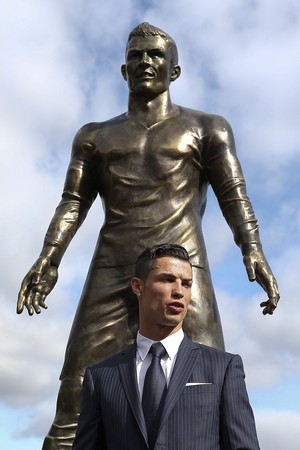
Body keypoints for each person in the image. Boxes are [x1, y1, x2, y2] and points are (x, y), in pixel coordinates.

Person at [17, 22, 278, 449]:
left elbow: (235, 196)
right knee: (75, 399)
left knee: (212, 392)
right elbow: (73, 203)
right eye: (136, 55)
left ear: (175, 70)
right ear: (123, 70)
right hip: (113, 267)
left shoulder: (208, 128)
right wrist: (48, 258)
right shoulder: (94, 136)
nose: (145, 62)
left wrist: (253, 249)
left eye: (156, 55)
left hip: (182, 269)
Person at [73, 243, 261, 450]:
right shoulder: (100, 377)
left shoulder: (223, 367)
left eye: (187, 284)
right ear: (138, 286)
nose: (179, 291)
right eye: (168, 279)